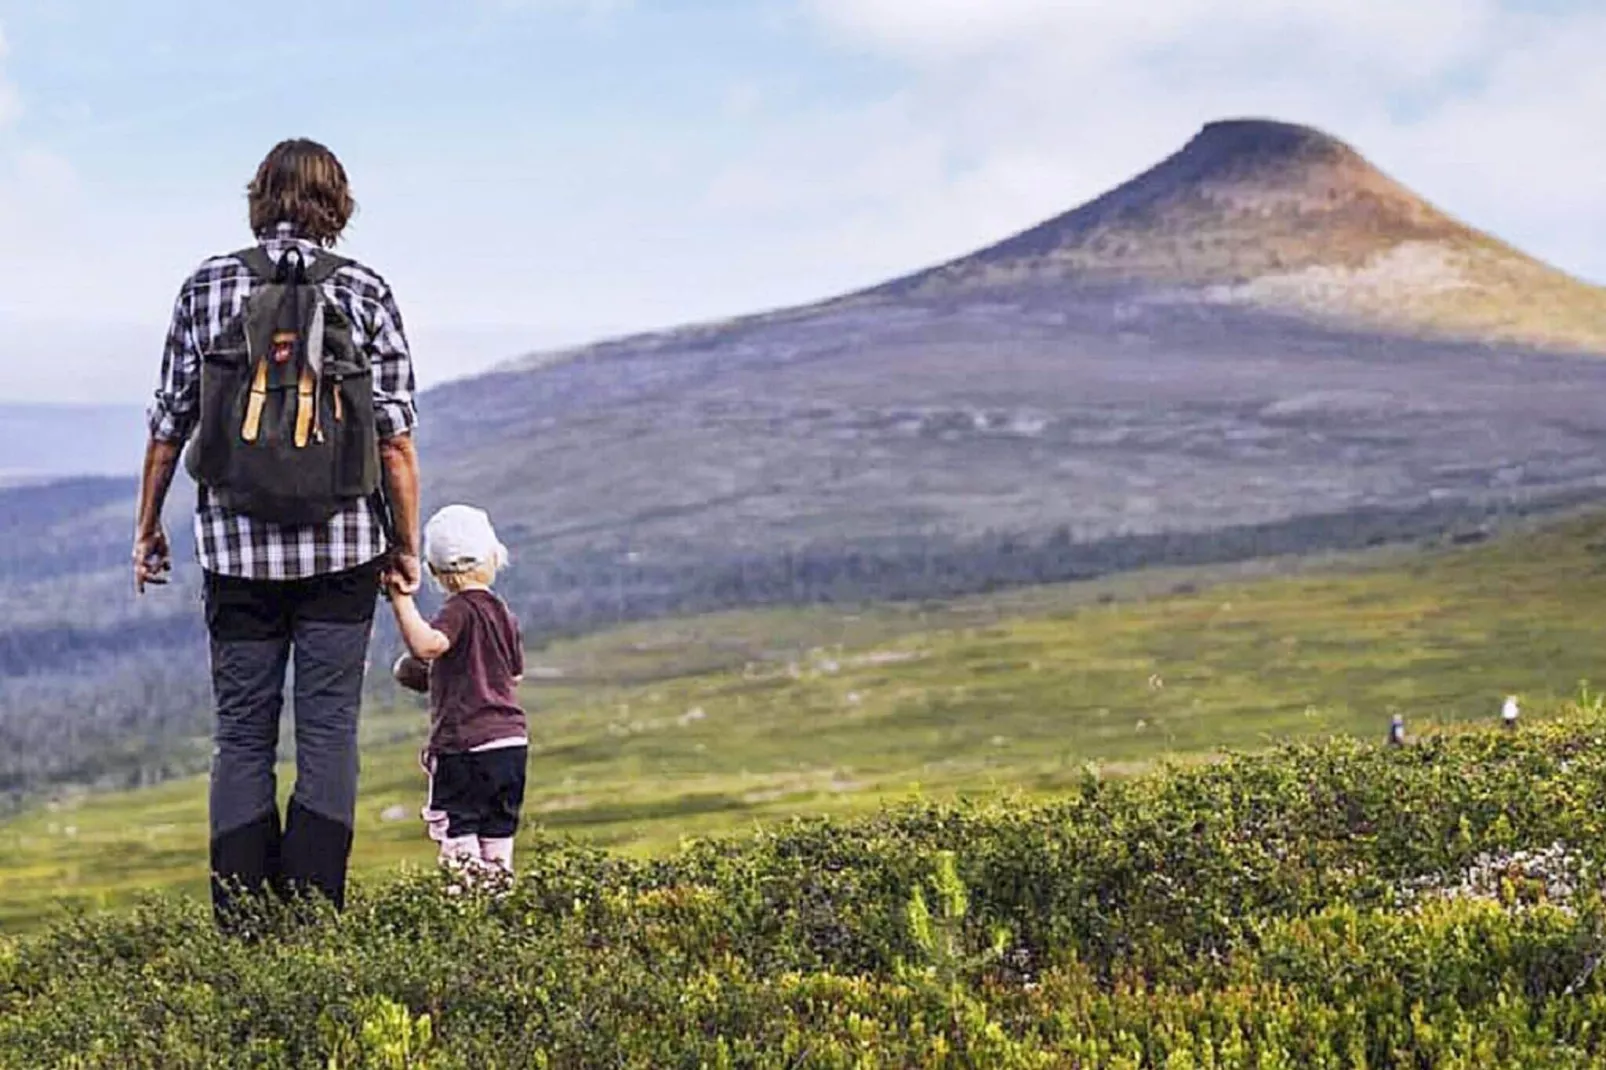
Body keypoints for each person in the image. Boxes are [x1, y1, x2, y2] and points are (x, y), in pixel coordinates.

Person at [132, 138, 422, 927]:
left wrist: (148, 528)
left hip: (236, 553)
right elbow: (394, 438)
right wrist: (404, 544)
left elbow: (169, 421)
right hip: (342, 553)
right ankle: (314, 922)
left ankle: (242, 927)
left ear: (259, 197)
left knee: (242, 737)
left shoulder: (207, 286)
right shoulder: (365, 291)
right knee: (328, 731)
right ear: (339, 204)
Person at [385, 504, 528, 873]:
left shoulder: (459, 609)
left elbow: (428, 645)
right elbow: (512, 677)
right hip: (510, 746)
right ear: (494, 557)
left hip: (465, 746)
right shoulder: (504, 614)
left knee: (459, 836)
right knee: (498, 837)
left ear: (433, 570)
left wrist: (400, 601)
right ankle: (498, 910)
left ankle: (465, 917)